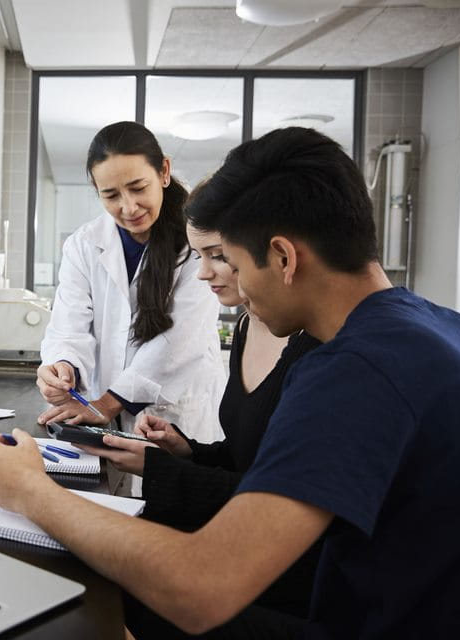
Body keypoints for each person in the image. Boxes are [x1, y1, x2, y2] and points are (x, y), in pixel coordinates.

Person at [0, 127, 460, 637]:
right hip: (364, 592)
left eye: (229, 260)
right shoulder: (439, 329)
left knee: (99, 594)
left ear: (283, 257)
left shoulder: (355, 371)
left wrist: (28, 491)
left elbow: (201, 587)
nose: (211, 277)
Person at [78, 214, 322, 619]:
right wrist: (186, 450)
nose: (203, 273)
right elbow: (250, 453)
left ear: (276, 255)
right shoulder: (248, 324)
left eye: (219, 257)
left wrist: (156, 468)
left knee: (114, 591)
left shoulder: (317, 351)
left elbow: (275, 501)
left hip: (287, 577)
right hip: (245, 536)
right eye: (198, 256)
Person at [36, 121, 225, 450]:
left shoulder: (197, 241)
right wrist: (62, 367)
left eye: (138, 188)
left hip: (176, 415)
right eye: (111, 195)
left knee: (173, 497)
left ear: (164, 171)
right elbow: (69, 324)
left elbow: (180, 341)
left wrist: (107, 404)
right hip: (102, 414)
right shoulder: (84, 244)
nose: (128, 207)